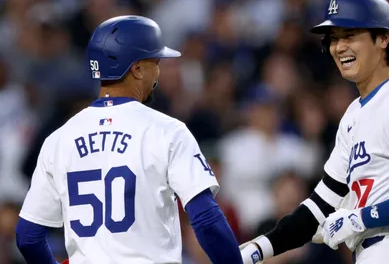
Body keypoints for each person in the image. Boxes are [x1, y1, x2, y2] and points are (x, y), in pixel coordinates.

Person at [240, 0, 389, 263]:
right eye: (333, 39)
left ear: (383, 38)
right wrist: (258, 249)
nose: (338, 47)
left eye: (350, 35)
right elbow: (317, 209)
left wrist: (360, 217)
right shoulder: (353, 115)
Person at [15, 15, 243, 264]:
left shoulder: (58, 139)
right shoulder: (168, 131)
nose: (158, 71)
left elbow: (28, 237)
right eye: (155, 62)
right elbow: (207, 222)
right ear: (136, 68)